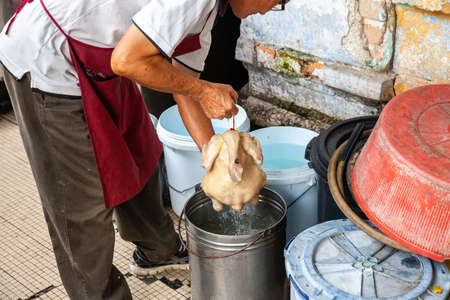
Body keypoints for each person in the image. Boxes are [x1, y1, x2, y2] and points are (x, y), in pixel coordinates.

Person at [0, 0, 286, 299]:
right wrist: (203, 91)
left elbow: (183, 86)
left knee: (140, 155)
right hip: (49, 59)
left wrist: (215, 154)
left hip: (105, 63)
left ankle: (159, 252)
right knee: (81, 203)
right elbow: (128, 61)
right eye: (279, 1)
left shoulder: (209, 14)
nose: (270, 10)